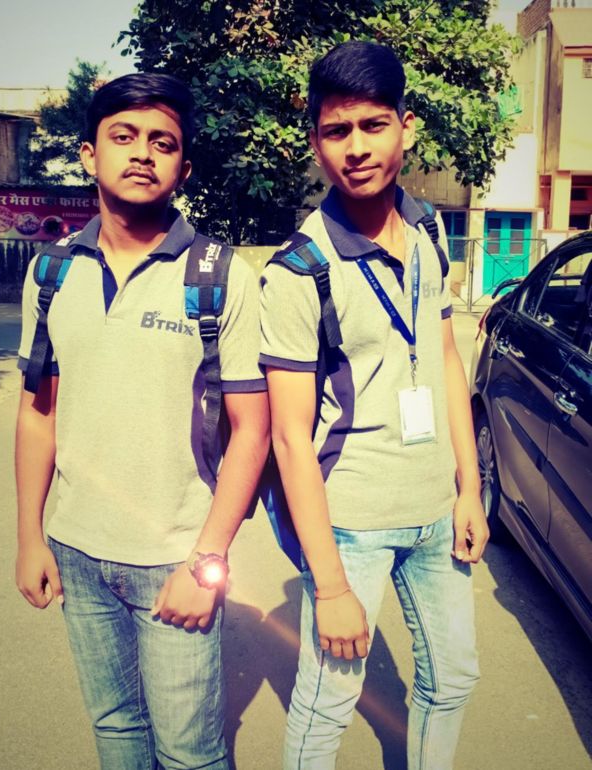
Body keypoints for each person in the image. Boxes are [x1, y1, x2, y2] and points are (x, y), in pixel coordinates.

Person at [15, 72, 269, 770]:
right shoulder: (50, 273)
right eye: (123, 136)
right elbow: (38, 414)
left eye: (163, 143)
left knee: (190, 753)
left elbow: (252, 431)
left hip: (175, 556)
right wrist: (30, 537)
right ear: (89, 154)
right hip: (76, 550)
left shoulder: (220, 276)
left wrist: (208, 560)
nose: (142, 154)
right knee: (116, 730)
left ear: (183, 168)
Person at [259, 42, 489, 770]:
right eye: (337, 131)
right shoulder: (298, 270)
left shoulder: (429, 229)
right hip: (351, 520)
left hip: (435, 509)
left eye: (373, 125)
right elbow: (289, 440)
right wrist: (328, 583)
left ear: (405, 126)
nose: (356, 148)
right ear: (316, 143)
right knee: (328, 701)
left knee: (454, 680)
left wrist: (470, 487)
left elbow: (444, 357)